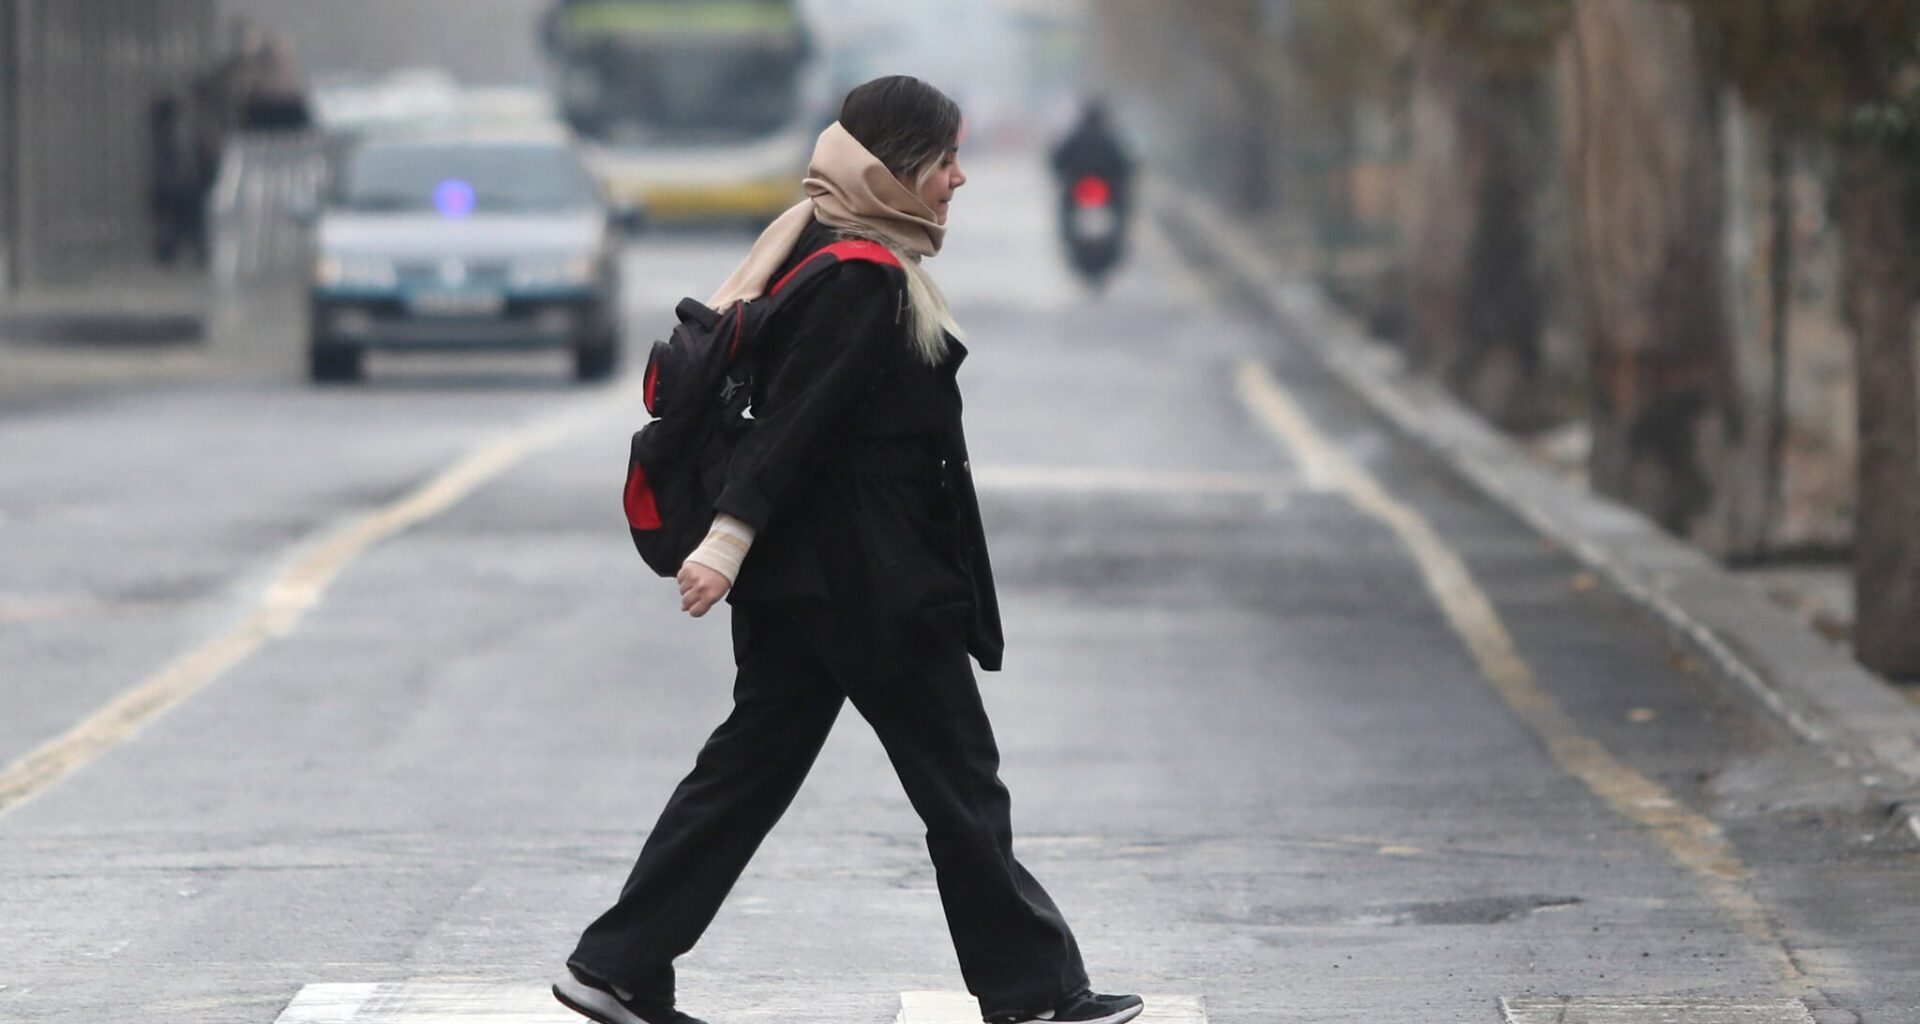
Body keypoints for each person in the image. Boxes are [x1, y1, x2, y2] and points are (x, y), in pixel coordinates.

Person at [552, 77, 1145, 1024]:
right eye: (945, 160)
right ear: (895, 166)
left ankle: (618, 965)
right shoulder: (861, 274)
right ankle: (1036, 995)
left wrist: (743, 551)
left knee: (747, 776)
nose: (959, 178)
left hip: (814, 577)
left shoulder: (821, 238)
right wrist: (724, 543)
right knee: (958, 784)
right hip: (866, 582)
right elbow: (793, 425)